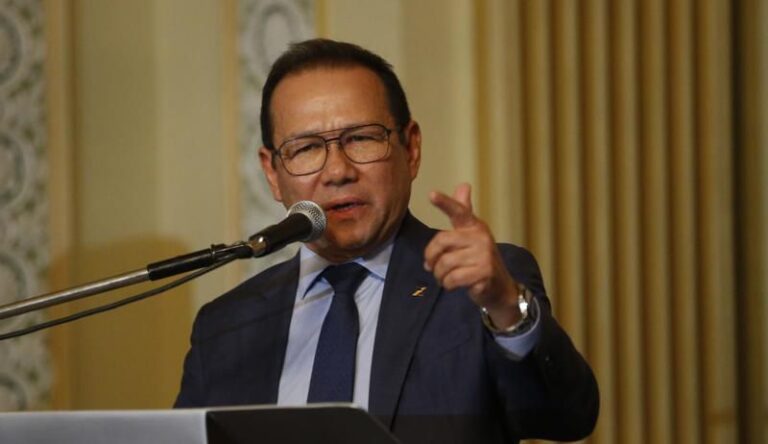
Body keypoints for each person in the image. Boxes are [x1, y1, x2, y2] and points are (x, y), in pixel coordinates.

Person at [175, 38, 598, 443]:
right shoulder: (227, 326)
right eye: (306, 148)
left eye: (361, 138)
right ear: (272, 173)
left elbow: (566, 416)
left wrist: (506, 306)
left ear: (410, 149)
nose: (337, 171)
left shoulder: (480, 287)